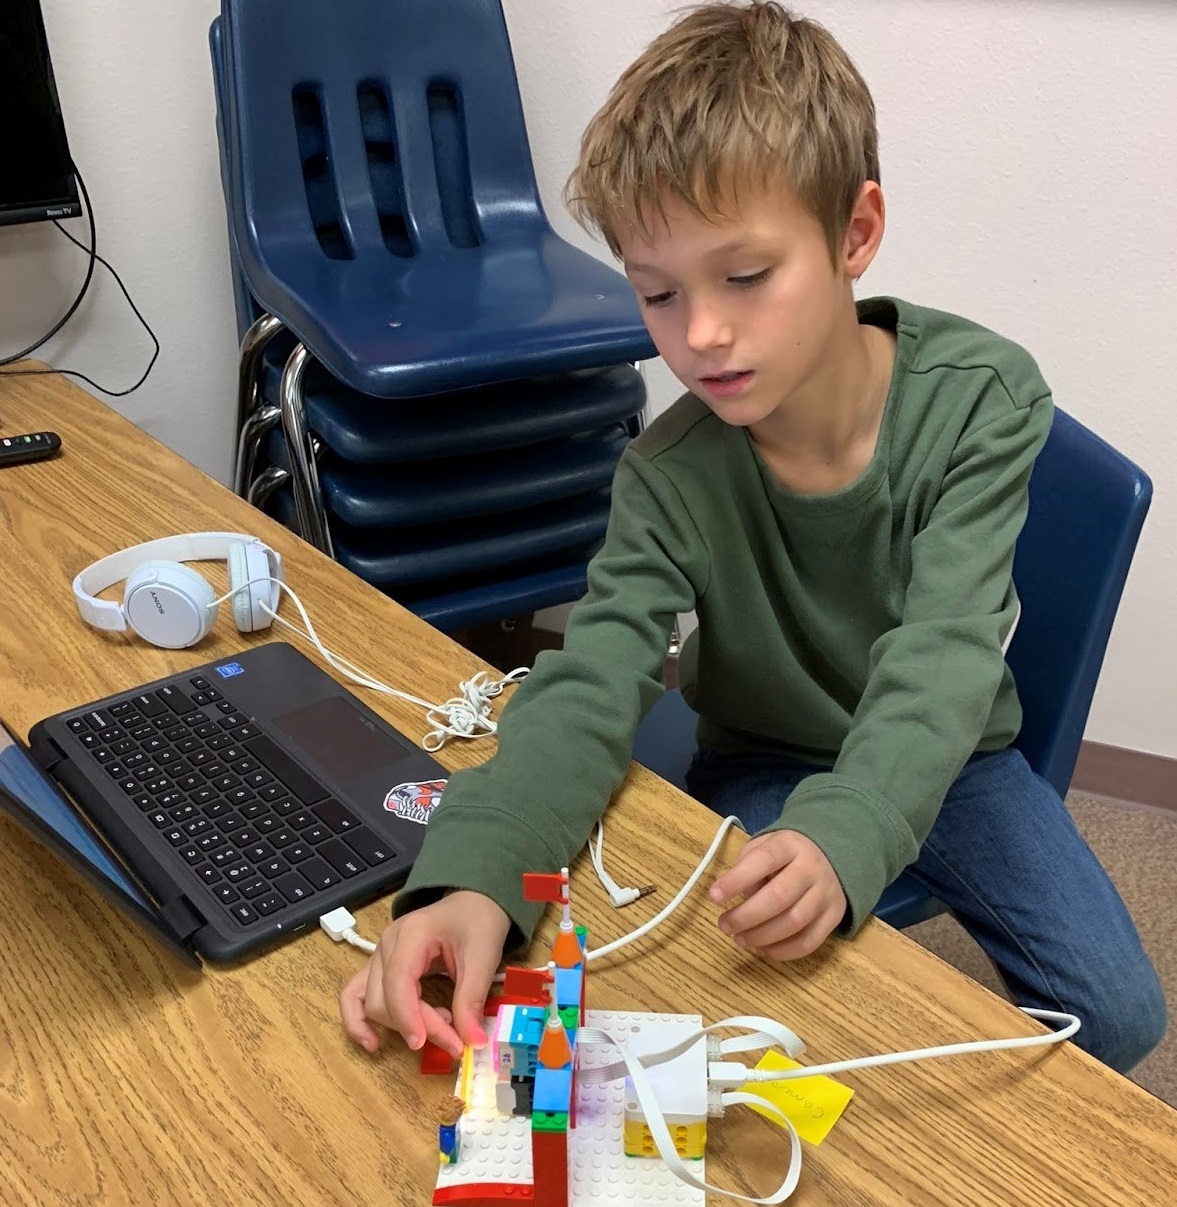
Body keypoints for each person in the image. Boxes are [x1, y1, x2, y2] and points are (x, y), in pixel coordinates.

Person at [339, 2, 1165, 1073]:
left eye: (744, 276)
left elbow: (944, 657)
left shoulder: (982, 398)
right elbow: (591, 681)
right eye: (657, 293)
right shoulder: (669, 476)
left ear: (854, 233)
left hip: (951, 752)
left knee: (1119, 1012)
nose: (701, 334)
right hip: (763, 758)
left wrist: (854, 822)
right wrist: (467, 875)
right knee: (758, 1011)